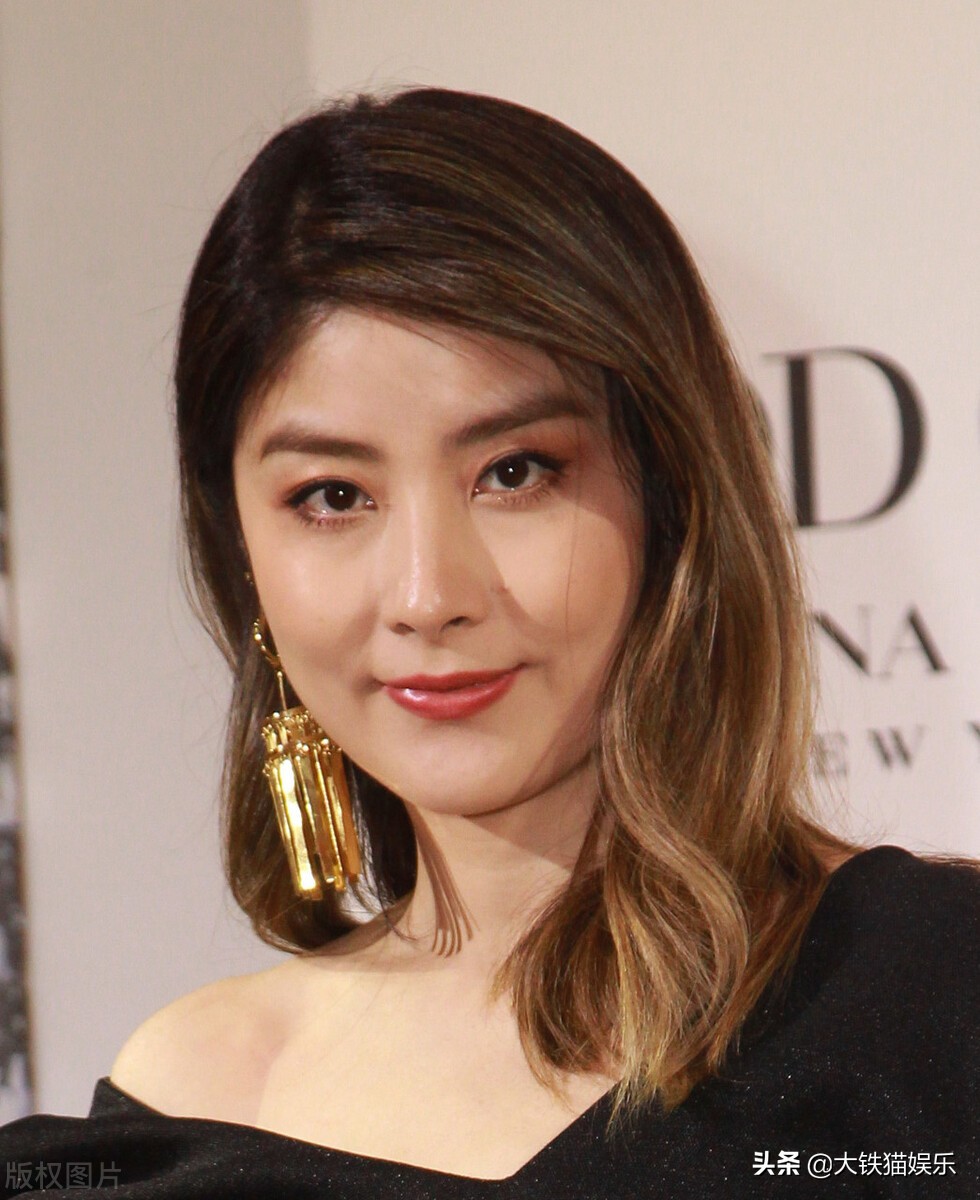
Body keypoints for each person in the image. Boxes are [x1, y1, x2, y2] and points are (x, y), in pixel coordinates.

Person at [1, 87, 977, 1198]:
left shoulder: (936, 1005)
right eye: (331, 495)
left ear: (672, 498)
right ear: (242, 552)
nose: (427, 596)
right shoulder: (185, 1111)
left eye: (513, 473)